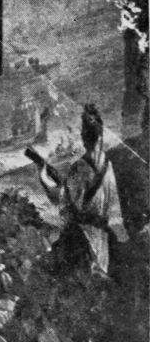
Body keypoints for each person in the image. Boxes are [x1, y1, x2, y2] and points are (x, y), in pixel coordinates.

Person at [36, 103, 128, 278]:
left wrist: (45, 178)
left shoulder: (79, 167)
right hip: (101, 238)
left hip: (81, 239)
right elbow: (114, 211)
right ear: (100, 135)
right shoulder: (107, 165)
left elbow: (65, 204)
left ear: (84, 136)